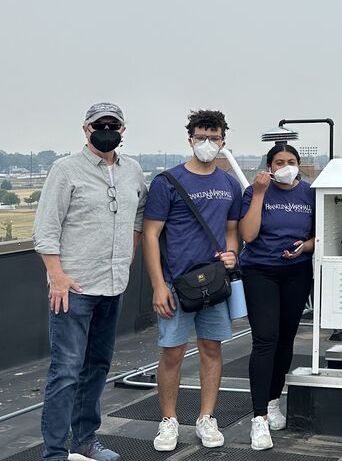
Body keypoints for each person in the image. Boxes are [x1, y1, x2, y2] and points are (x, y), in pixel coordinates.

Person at [33, 102, 147, 461]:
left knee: (97, 367)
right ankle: (54, 452)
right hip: (74, 289)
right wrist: (57, 276)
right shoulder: (65, 170)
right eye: (101, 124)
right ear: (86, 129)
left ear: (123, 131)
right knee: (65, 371)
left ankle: (84, 440)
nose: (108, 130)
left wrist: (126, 256)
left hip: (113, 286)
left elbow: (139, 215)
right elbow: (46, 228)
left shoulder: (133, 171)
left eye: (114, 125)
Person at [142, 110, 240, 452]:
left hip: (214, 284)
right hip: (175, 284)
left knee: (212, 349)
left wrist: (232, 254)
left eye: (214, 138)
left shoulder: (229, 184)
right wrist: (158, 284)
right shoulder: (166, 182)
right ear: (190, 140)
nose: (207, 144)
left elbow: (231, 231)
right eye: (201, 137)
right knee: (172, 353)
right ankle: (169, 420)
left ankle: (206, 418)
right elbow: (151, 235)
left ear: (223, 141)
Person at [238, 143, 316, 451]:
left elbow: (318, 233)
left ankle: (273, 400)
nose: (286, 166)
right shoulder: (256, 192)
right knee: (265, 340)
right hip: (261, 271)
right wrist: (258, 193)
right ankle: (258, 418)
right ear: (269, 165)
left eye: (291, 161)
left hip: (296, 272)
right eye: (279, 161)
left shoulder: (309, 193)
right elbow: (247, 234)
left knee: (286, 340)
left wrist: (305, 247)